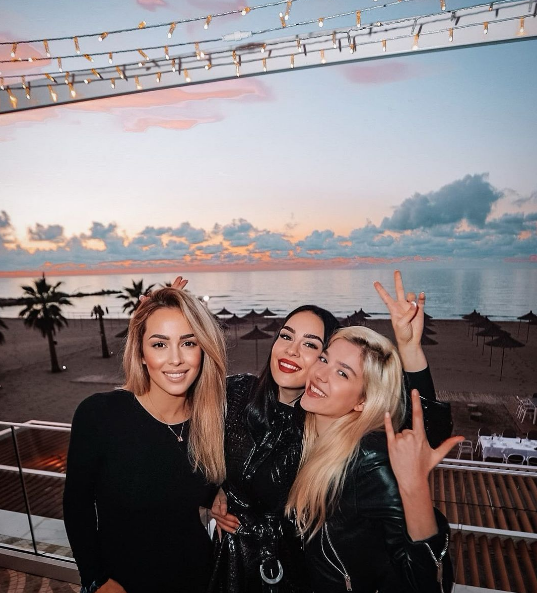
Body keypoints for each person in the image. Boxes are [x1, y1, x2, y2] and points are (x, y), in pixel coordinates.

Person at [210, 271, 453, 593]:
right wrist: (217, 491)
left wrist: (409, 349)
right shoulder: (241, 393)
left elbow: (421, 435)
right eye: (286, 336)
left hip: (290, 572)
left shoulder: (336, 437)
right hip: (233, 560)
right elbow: (192, 441)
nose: (292, 351)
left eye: (311, 345)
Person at [63, 287, 227, 593]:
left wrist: (222, 492)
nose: (176, 359)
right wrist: (96, 579)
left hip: (198, 578)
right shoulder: (100, 415)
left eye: (188, 342)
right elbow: (76, 506)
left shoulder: (212, 421)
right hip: (121, 583)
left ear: (203, 349)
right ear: (140, 353)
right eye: (159, 344)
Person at [287, 326, 462, 592]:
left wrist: (415, 488)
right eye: (324, 359)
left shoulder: (370, 462)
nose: (320, 374)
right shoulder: (306, 433)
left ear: (363, 401)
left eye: (342, 373)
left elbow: (422, 583)